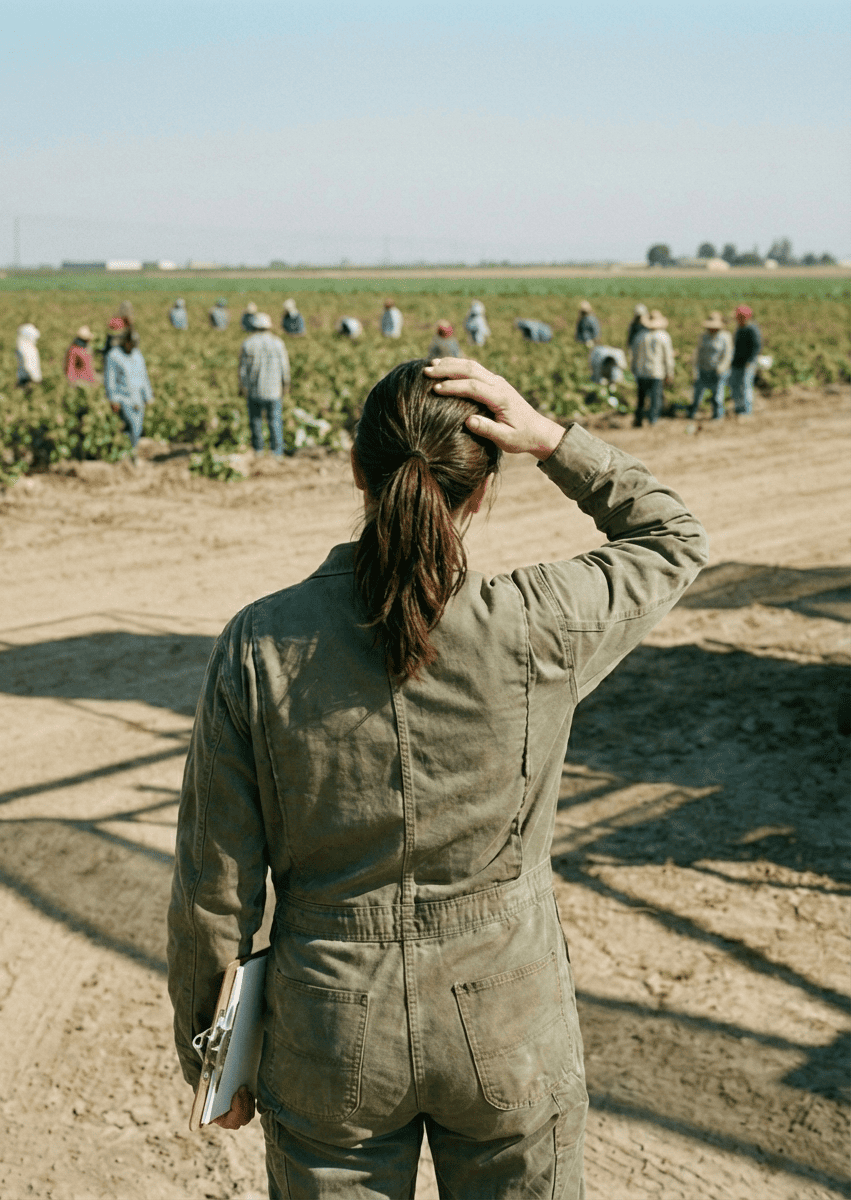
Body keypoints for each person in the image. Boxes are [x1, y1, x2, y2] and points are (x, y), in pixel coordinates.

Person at [167, 355, 707, 1198]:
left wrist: (213, 1048)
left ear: (357, 470)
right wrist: (553, 440)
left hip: (329, 1026)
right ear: (482, 487)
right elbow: (674, 539)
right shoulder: (538, 624)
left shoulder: (257, 643)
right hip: (509, 1017)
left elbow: (215, 882)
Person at [238, 313, 290, 456]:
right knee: (275, 421)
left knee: (256, 421)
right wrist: (286, 384)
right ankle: (277, 453)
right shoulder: (278, 342)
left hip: (255, 389)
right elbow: (284, 367)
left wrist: (242, 386)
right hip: (274, 390)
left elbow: (242, 370)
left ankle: (258, 451)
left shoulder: (248, 343)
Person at [104, 328, 153, 452]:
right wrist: (113, 399)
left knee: (137, 428)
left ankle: (132, 452)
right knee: (129, 426)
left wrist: (148, 395)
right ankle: (128, 455)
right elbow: (110, 379)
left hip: (138, 399)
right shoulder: (113, 355)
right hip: (123, 398)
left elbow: (144, 375)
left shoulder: (137, 354)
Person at [630, 309, 674, 426]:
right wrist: (669, 373)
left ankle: (638, 420)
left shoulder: (639, 336)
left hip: (641, 372)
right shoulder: (664, 336)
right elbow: (668, 358)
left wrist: (633, 368)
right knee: (655, 398)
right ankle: (652, 420)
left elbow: (634, 355)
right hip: (656, 372)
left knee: (641, 398)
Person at [688, 312, 733, 420]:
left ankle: (717, 416)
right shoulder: (703, 337)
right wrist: (695, 368)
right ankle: (692, 414)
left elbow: (728, 354)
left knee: (718, 396)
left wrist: (722, 367)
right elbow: (698, 353)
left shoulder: (725, 337)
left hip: (717, 371)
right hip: (703, 369)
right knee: (697, 394)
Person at [727, 304, 762, 416]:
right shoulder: (739, 329)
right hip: (737, 362)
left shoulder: (751, 329)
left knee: (745, 385)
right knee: (735, 384)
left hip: (747, 363)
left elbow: (756, 346)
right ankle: (738, 407)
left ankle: (746, 410)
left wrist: (750, 361)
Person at [15, 323, 42, 390]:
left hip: (29, 378)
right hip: (28, 379)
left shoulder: (26, 347)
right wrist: (34, 377)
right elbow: (28, 366)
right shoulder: (25, 349)